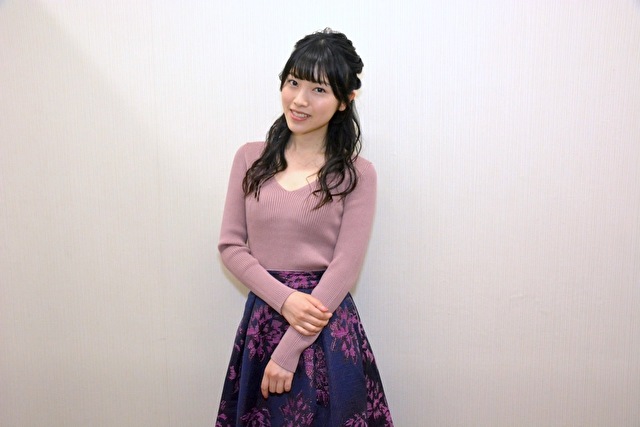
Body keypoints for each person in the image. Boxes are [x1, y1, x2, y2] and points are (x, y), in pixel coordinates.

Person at [215, 28, 394, 426]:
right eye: (294, 82)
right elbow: (231, 246)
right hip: (264, 319)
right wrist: (285, 301)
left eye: (318, 90)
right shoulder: (250, 158)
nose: (299, 100)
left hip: (324, 325)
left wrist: (289, 349)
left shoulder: (357, 174)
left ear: (345, 101)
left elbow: (345, 267)